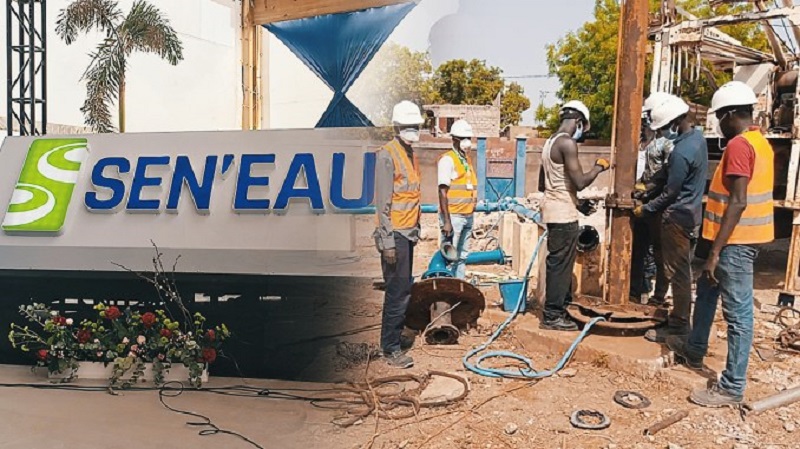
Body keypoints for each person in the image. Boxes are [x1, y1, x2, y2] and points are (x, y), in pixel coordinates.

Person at [668, 81, 774, 407]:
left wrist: (714, 253)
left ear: (730, 115)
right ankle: (695, 349)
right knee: (707, 291)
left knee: (738, 314)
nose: (718, 124)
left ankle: (732, 386)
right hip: (731, 240)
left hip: (734, 245)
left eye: (719, 118)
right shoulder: (760, 143)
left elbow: (739, 202)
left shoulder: (741, 146)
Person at [635, 95, 708, 343]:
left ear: (675, 122)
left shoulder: (681, 151)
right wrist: (647, 188)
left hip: (677, 217)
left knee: (678, 273)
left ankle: (678, 326)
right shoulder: (697, 139)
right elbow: (666, 177)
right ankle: (678, 318)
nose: (665, 132)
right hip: (691, 214)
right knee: (681, 271)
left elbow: (671, 191)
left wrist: (647, 208)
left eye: (666, 127)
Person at [539, 100, 610, 331]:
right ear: (578, 122)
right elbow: (579, 182)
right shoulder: (568, 143)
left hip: (553, 209)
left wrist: (577, 204)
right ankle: (552, 316)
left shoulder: (548, 143)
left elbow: (545, 184)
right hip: (563, 216)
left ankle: (558, 308)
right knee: (560, 266)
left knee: (557, 263)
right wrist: (599, 167)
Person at [373, 100, 424, 369]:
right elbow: (382, 204)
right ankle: (390, 347)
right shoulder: (386, 155)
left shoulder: (410, 153)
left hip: (408, 233)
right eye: (407, 126)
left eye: (415, 126)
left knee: (403, 289)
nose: (412, 130)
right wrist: (387, 242)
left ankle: (393, 338)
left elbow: (412, 195)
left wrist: (417, 226)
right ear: (396, 127)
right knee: (397, 292)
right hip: (395, 236)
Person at [630, 94, 674, 303]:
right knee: (638, 249)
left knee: (659, 252)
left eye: (647, 116)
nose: (644, 121)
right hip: (644, 199)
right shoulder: (644, 141)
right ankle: (635, 290)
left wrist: (648, 190)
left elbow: (666, 175)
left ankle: (658, 295)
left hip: (658, 202)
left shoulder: (667, 142)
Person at [438, 119, 478, 280]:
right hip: (453, 217)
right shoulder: (447, 160)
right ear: (454, 139)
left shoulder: (466, 160)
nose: (467, 142)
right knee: (450, 258)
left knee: (462, 257)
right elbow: (442, 191)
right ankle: (446, 289)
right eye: (463, 138)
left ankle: (459, 287)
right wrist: (446, 221)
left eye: (468, 138)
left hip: (467, 215)